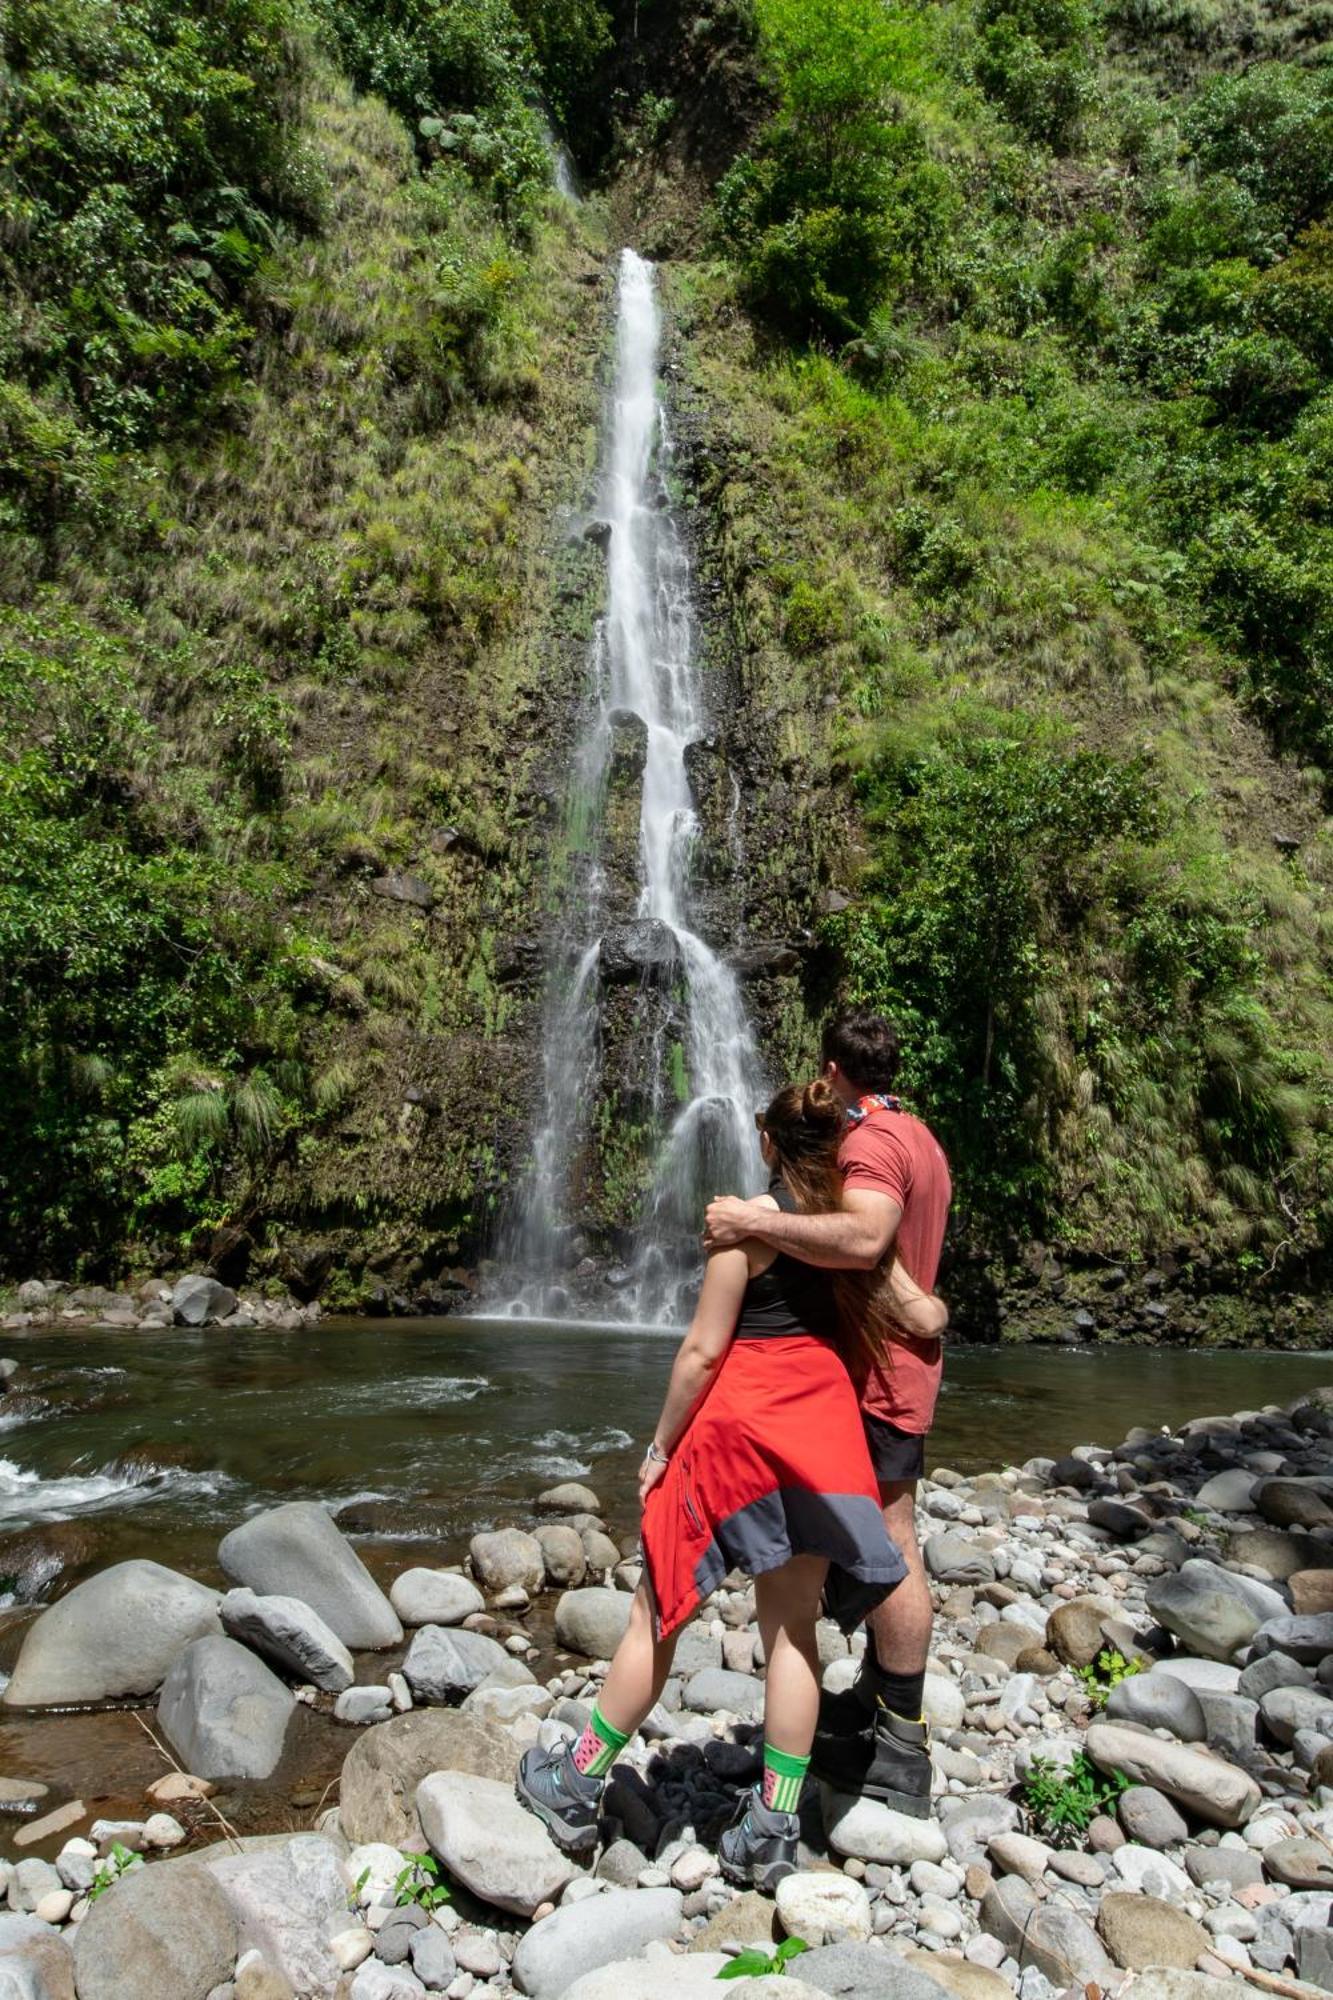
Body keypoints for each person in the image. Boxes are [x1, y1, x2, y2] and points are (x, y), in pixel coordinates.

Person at [515, 1078, 945, 1890]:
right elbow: (922, 1318)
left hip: (740, 1432)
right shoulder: (855, 1242)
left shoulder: (745, 1232)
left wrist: (656, 1447)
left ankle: (574, 1784)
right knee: (791, 1630)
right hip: (823, 1439)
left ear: (771, 1145)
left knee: (656, 1613)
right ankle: (774, 1824)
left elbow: (702, 1354)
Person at [704, 1009, 952, 1818]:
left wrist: (753, 1219)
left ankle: (901, 1747)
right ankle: (874, 1702)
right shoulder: (917, 1133)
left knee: (890, 1541)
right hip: (891, 1362)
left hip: (884, 1374)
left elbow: (864, 1239)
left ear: (833, 1072)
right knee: (882, 1533)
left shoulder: (872, 1142)